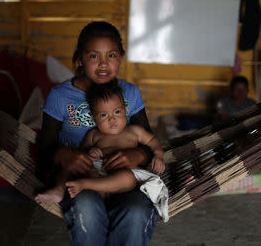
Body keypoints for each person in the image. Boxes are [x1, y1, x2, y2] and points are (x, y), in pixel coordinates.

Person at [36, 21, 159, 246]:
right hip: (81, 177)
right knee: (86, 209)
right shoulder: (60, 96)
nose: (103, 64)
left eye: (111, 55)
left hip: (125, 177)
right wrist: (65, 155)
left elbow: (150, 146)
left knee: (137, 211)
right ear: (80, 58)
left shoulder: (130, 93)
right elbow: (43, 149)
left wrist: (137, 156)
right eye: (94, 56)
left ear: (121, 57)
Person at [35, 80, 168, 221]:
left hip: (124, 172)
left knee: (128, 178)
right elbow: (82, 153)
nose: (112, 119)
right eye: (104, 115)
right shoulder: (94, 134)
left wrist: (158, 155)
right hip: (99, 170)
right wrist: (91, 153)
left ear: (125, 110)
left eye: (117, 112)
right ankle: (59, 189)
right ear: (94, 118)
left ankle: (87, 185)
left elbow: (153, 141)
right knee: (73, 165)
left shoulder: (134, 131)